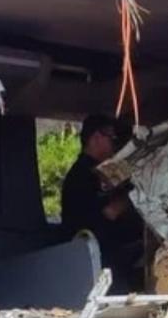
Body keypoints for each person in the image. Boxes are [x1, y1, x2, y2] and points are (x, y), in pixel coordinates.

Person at [61, 113, 144, 292]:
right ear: (96, 138)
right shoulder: (83, 175)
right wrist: (138, 195)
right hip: (96, 256)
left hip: (107, 252)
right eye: (111, 138)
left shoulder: (92, 172)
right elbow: (110, 211)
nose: (114, 144)